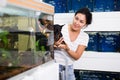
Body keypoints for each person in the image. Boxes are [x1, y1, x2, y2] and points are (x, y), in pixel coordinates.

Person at [54, 7, 92, 80]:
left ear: (85, 24)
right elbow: (46, 48)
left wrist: (67, 49)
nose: (77, 23)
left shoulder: (84, 36)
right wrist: (55, 45)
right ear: (74, 17)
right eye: (76, 18)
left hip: (69, 69)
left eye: (81, 21)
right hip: (54, 66)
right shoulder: (60, 28)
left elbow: (77, 56)